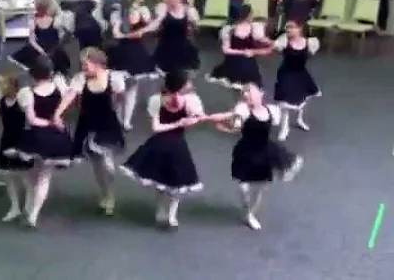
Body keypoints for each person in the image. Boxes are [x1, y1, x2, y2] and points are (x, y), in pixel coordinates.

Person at [205, 83, 303, 230]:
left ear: (260, 94)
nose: (246, 95)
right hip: (246, 151)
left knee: (259, 188)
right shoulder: (243, 111)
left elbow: (271, 123)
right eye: (244, 93)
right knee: (243, 187)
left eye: (249, 92)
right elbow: (230, 118)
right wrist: (209, 119)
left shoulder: (272, 110)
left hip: (264, 151)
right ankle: (246, 206)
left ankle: (250, 214)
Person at [120, 70, 205, 228]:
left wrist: (191, 120)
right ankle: (160, 209)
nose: (191, 85)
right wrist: (178, 124)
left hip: (178, 145)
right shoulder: (157, 100)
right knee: (161, 181)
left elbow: (196, 118)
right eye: (187, 83)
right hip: (161, 144)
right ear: (179, 86)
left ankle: (172, 214)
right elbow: (156, 127)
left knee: (177, 184)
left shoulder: (190, 100)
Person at [54, 48, 126, 216]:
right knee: (97, 164)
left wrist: (118, 113)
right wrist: (58, 113)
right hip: (88, 125)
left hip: (107, 124)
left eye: (86, 64)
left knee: (107, 163)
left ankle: (110, 192)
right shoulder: (80, 79)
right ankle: (104, 192)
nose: (83, 68)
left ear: (98, 63)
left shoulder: (113, 78)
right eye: (82, 65)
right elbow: (69, 96)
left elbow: (120, 97)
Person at [5, 56, 75, 227]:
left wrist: (47, 121)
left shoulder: (27, 93)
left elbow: (32, 119)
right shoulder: (59, 87)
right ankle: (33, 214)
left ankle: (29, 207)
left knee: (33, 172)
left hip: (36, 137)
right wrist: (56, 120)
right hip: (57, 136)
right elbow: (70, 99)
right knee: (45, 176)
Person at [106, 0, 156, 130]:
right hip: (122, 54)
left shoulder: (141, 12)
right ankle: (118, 117)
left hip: (134, 54)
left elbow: (145, 29)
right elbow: (116, 33)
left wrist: (139, 12)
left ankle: (126, 120)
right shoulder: (117, 14)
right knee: (120, 90)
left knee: (131, 89)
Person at [272, 20, 321, 141]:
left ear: (299, 29)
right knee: (285, 101)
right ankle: (285, 127)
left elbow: (309, 55)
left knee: (303, 96)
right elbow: (272, 48)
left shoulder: (309, 42)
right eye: (288, 28)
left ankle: (300, 119)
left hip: (300, 73)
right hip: (286, 73)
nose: (289, 30)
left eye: (292, 28)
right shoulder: (284, 41)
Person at [206, 4, 272, 90]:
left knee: (248, 68)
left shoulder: (253, 28)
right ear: (248, 15)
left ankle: (241, 81)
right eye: (251, 14)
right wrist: (244, 52)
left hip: (242, 60)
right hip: (236, 60)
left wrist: (273, 44)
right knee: (247, 69)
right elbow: (226, 50)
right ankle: (240, 81)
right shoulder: (230, 29)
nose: (252, 17)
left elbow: (264, 41)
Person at [0, 74, 34, 222]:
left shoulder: (21, 100)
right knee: (8, 176)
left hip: (21, 140)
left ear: (12, 85)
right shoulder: (2, 101)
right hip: (6, 140)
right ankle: (14, 207)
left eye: (2, 84)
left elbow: (30, 120)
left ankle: (29, 207)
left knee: (25, 177)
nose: (0, 87)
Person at [8, 0, 71, 78]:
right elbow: (32, 40)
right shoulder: (35, 21)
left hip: (50, 48)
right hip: (45, 48)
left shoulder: (54, 20)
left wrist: (45, 51)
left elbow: (32, 40)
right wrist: (42, 51)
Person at [148, 0, 200, 76]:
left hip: (182, 42)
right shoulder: (163, 9)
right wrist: (145, 29)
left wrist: (192, 24)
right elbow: (156, 23)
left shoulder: (188, 10)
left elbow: (196, 27)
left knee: (182, 68)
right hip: (166, 42)